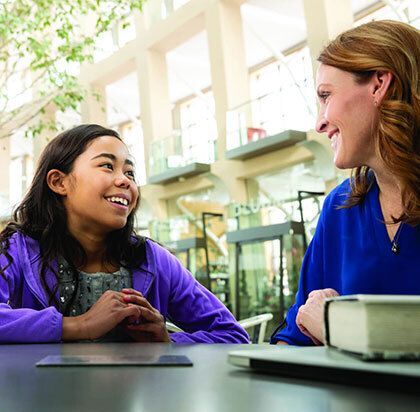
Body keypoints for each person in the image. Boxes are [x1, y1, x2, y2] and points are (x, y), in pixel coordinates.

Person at [0, 124, 249, 344]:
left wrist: (168, 340)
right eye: (107, 166)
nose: (125, 181)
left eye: (129, 172)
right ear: (58, 182)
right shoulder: (17, 251)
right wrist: (78, 325)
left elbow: (231, 335)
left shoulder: (155, 260)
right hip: (43, 396)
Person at [271, 20, 420, 345]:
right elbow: (295, 338)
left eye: (326, 96)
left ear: (379, 84)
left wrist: (341, 335)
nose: (320, 122)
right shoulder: (340, 206)